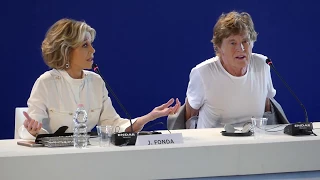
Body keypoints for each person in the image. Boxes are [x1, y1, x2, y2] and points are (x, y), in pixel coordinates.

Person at [19, 18, 180, 140]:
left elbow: (112, 124)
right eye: (84, 45)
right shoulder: (45, 83)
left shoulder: (96, 81)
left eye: (91, 44)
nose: (93, 50)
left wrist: (148, 117)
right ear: (66, 51)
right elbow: (31, 129)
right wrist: (33, 130)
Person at [185, 11, 276, 128]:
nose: (241, 48)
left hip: (254, 142)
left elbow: (267, 110)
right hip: (213, 144)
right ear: (219, 47)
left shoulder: (262, 65)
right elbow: (190, 116)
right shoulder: (203, 73)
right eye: (233, 43)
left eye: (245, 41)